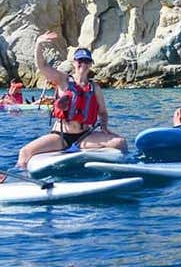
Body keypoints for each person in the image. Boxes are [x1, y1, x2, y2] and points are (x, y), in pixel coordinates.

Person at [16, 32, 128, 168]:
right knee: (25, 152)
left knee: (120, 142)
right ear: (74, 62)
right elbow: (42, 66)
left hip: (84, 136)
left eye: (87, 61)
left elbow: (103, 112)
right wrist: (39, 44)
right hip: (61, 136)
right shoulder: (62, 79)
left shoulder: (94, 87)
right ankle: (22, 180)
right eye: (80, 61)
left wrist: (104, 125)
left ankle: (123, 169)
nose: (83, 64)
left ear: (91, 64)